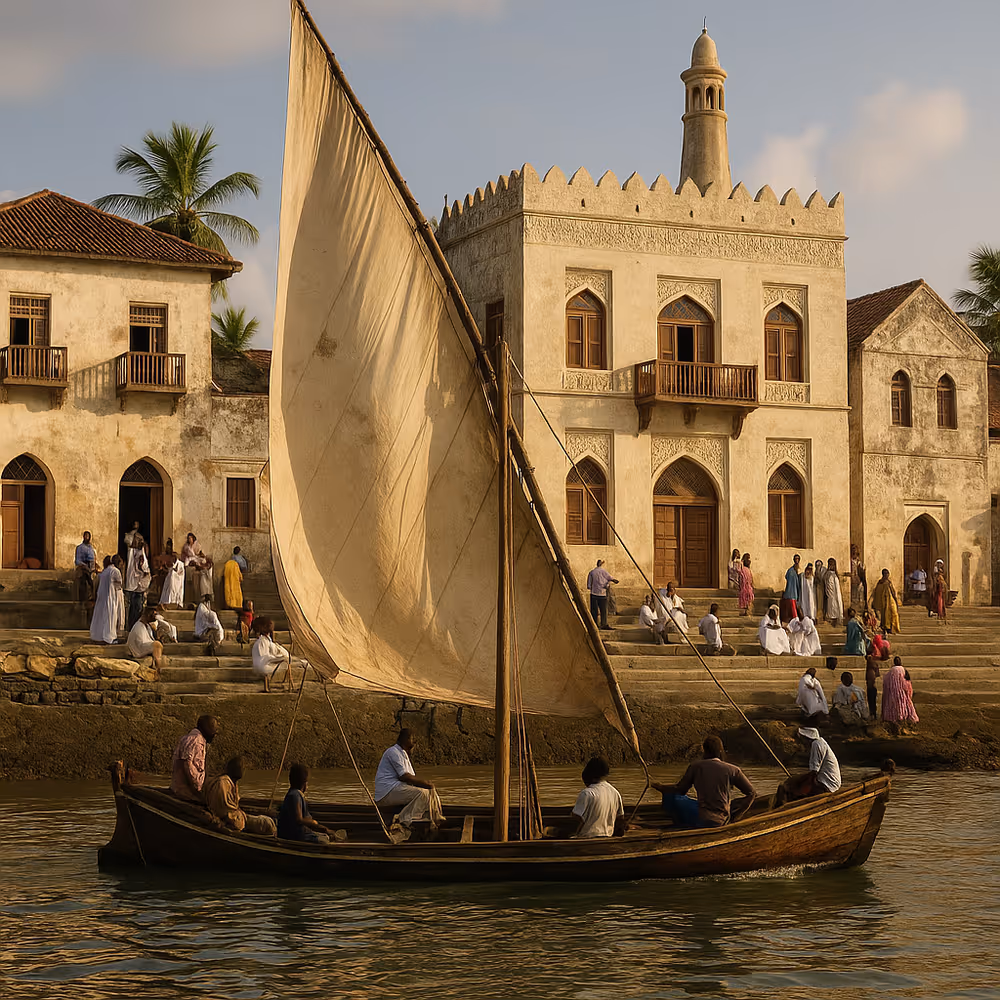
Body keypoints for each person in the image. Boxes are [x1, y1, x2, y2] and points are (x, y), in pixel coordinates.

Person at [653, 736, 756, 828]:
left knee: (673, 796)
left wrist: (660, 787)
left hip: (700, 817)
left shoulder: (695, 766)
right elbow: (752, 793)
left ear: (704, 751)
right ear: (721, 751)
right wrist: (737, 815)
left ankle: (679, 823)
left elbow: (680, 790)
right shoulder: (733, 770)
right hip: (721, 819)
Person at [373, 729, 445, 836]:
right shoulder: (393, 752)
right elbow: (405, 777)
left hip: (396, 790)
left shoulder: (404, 754)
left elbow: (411, 778)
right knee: (423, 793)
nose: (414, 742)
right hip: (386, 793)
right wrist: (425, 783)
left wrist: (427, 785)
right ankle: (403, 821)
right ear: (405, 739)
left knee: (429, 791)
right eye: (411, 739)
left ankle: (435, 817)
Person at [204, 757, 277, 836]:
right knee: (266, 824)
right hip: (233, 820)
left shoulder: (234, 783)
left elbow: (234, 806)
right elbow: (223, 811)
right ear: (235, 769)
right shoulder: (222, 783)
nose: (243, 770)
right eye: (241, 767)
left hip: (239, 817)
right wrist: (240, 819)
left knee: (269, 821)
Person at [774, 727, 842, 805]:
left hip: (827, 784)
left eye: (802, 739)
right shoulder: (821, 742)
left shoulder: (816, 744)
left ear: (807, 738)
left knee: (787, 786)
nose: (801, 742)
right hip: (829, 782)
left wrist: (802, 788)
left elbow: (814, 772)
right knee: (793, 781)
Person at [570, 757, 625, 838]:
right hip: (607, 837)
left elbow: (577, 820)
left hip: (587, 838)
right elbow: (620, 818)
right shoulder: (615, 792)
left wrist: (570, 835)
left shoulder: (586, 793)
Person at [277, 763, 330, 843]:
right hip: (294, 836)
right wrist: (313, 822)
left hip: (293, 834)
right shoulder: (295, 795)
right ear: (304, 783)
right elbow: (299, 819)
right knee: (325, 840)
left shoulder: (292, 793)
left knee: (325, 836)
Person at [170, 715, 218, 801]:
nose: (215, 732)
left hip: (181, 788)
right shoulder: (196, 741)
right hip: (186, 792)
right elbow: (188, 767)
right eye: (213, 728)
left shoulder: (190, 738)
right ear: (206, 728)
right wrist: (197, 792)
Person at [251, 617, 303, 692]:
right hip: (263, 665)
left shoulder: (265, 640)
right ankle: (291, 686)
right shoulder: (262, 641)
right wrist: (278, 659)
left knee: (289, 660)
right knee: (288, 662)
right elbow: (264, 657)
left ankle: (285, 686)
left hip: (264, 663)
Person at [89, 555, 123, 644]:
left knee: (101, 617)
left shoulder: (104, 572)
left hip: (102, 598)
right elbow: (119, 586)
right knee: (110, 617)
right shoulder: (115, 571)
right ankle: (110, 637)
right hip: (111, 598)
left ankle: (98, 636)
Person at [881, 656, 919, 729]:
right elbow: (907, 683)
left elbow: (886, 683)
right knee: (905, 708)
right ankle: (906, 724)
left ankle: (894, 724)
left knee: (893, 710)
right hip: (902, 694)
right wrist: (908, 692)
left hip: (892, 695)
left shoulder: (890, 672)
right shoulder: (903, 670)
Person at [126, 607, 164, 679]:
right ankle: (158, 668)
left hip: (142, 645)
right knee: (157, 645)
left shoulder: (147, 625)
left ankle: (158, 666)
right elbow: (140, 641)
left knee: (158, 644)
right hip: (138, 648)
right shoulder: (139, 625)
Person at [124, 533, 151, 631]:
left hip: (138, 584)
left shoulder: (139, 552)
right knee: (134, 607)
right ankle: (132, 627)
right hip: (135, 583)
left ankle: (134, 627)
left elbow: (142, 564)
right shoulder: (133, 551)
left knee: (137, 607)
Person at [182, 532, 214, 604]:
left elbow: (199, 553)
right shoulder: (186, 546)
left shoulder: (197, 545)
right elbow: (186, 554)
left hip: (197, 558)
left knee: (201, 561)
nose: (190, 539)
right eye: (189, 538)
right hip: (190, 558)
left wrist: (200, 557)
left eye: (191, 538)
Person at [586, 560, 617, 630]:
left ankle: (594, 624)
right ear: (601, 564)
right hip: (602, 594)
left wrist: (591, 587)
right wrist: (613, 581)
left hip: (594, 593)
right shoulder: (604, 571)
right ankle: (604, 623)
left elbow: (589, 585)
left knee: (594, 610)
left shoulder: (592, 572)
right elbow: (610, 578)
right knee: (603, 610)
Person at [871, 569, 901, 634]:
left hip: (889, 602)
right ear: (883, 575)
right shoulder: (881, 583)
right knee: (885, 616)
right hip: (883, 603)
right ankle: (886, 628)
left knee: (892, 614)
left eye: (888, 574)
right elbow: (876, 593)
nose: (887, 575)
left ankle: (890, 628)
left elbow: (893, 592)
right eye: (886, 574)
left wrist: (895, 601)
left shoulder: (887, 583)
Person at [74, 531, 97, 605]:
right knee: (83, 584)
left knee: (93, 584)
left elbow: (93, 559)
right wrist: (84, 566)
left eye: (88, 536)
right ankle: (81, 602)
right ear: (83, 537)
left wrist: (93, 567)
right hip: (83, 568)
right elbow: (77, 560)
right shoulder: (79, 548)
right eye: (86, 536)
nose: (87, 538)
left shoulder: (91, 548)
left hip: (91, 568)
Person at [781, 554, 802, 623]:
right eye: (795, 559)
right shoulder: (791, 571)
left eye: (798, 559)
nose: (796, 561)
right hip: (791, 593)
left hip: (795, 593)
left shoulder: (796, 570)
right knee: (792, 610)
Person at [824, 557, 844, 626]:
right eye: (830, 564)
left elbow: (837, 589)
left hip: (835, 595)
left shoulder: (834, 576)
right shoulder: (827, 574)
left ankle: (835, 620)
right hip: (829, 596)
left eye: (832, 564)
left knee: (835, 607)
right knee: (830, 607)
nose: (831, 566)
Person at [850, 543, 868, 610]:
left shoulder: (860, 563)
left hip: (859, 582)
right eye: (853, 551)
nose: (854, 553)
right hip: (853, 583)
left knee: (860, 600)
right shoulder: (850, 562)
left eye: (855, 552)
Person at [737, 552, 755, 616]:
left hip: (743, 588)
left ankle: (744, 612)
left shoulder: (742, 570)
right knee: (748, 600)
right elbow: (751, 580)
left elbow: (739, 575)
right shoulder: (749, 571)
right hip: (749, 588)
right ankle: (747, 612)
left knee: (743, 599)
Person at [865, 653, 881, 719]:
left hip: (871, 687)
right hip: (871, 687)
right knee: (872, 701)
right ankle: (873, 713)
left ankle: (873, 713)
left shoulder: (871, 669)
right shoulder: (871, 667)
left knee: (872, 701)